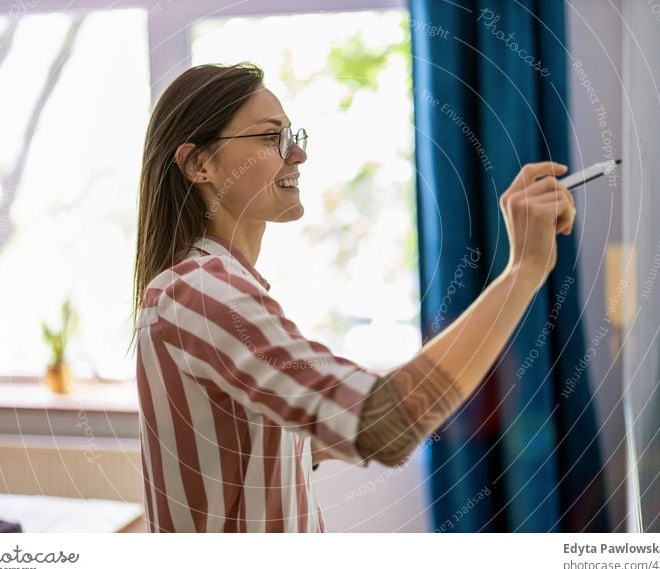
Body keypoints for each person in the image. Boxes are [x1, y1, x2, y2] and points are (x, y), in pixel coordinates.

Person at [132, 62, 576, 532]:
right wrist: (525, 269)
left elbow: (283, 440)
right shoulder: (202, 295)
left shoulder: (214, 289)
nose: (297, 154)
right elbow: (389, 426)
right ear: (199, 164)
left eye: (292, 134)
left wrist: (384, 399)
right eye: (270, 137)